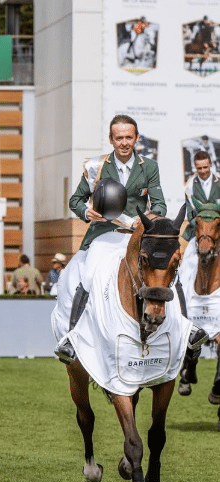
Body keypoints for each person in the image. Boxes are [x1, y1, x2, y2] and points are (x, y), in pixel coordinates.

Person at [53, 114, 168, 363]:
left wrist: (147, 218)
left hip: (136, 237)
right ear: (110, 139)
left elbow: (160, 205)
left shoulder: (149, 167)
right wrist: (86, 212)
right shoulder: (96, 166)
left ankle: (188, 330)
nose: (124, 142)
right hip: (103, 235)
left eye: (129, 137)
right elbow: (75, 200)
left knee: (167, 271)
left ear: (136, 138)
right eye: (119, 138)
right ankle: (72, 338)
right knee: (87, 275)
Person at [178, 151, 220, 293]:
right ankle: (184, 294)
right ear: (195, 167)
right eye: (199, 168)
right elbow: (190, 213)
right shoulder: (190, 186)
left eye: (205, 167)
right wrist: (202, 227)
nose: (202, 171)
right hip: (197, 232)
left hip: (218, 230)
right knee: (187, 261)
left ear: (210, 165)